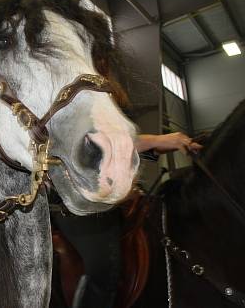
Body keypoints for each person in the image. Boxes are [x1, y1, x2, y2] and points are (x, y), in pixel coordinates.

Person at [51, 132, 202, 308]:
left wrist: (156, 146)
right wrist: (159, 140)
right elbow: (96, 143)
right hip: (79, 204)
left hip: (117, 202)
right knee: (103, 268)